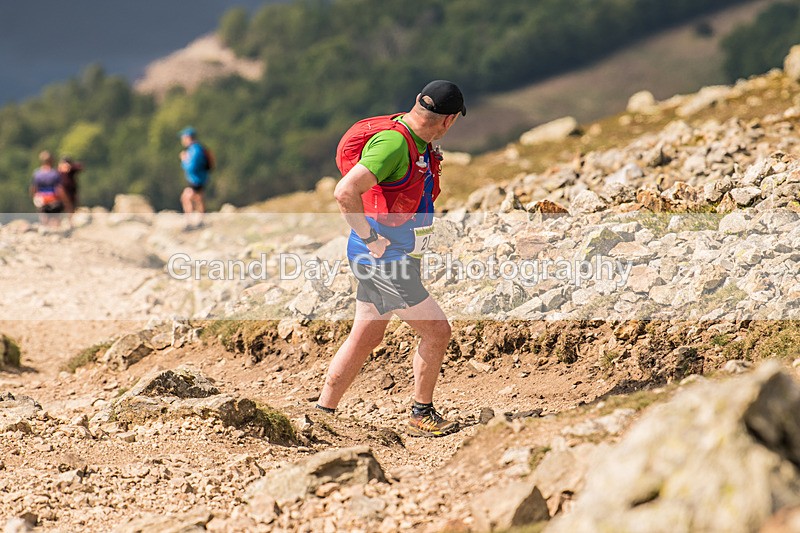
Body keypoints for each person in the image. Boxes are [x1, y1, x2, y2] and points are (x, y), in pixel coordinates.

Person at [316, 80, 466, 437]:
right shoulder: (394, 144)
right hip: (384, 260)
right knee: (437, 331)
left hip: (389, 256)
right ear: (448, 120)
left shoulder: (415, 139)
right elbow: (345, 191)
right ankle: (421, 414)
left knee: (366, 335)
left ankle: (322, 413)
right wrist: (370, 238)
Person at [178, 126, 211, 230]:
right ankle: (200, 220)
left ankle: (190, 222)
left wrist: (184, 160)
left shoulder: (194, 150)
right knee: (198, 198)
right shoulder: (197, 148)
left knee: (186, 197)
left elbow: (191, 167)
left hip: (197, 179)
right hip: (200, 178)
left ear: (188, 137)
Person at [30, 150, 65, 228]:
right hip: (53, 198)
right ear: (51, 160)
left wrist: (34, 198)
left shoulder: (37, 173)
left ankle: (45, 231)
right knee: (56, 218)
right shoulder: (55, 173)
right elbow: (59, 189)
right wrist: (64, 200)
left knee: (44, 218)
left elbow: (34, 188)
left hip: (41, 199)